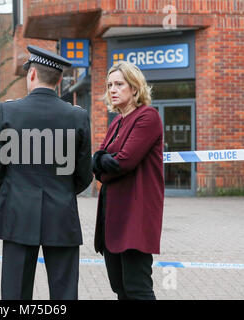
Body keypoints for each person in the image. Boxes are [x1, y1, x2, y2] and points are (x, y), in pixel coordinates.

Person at [0, 45, 93, 300]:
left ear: (31, 74)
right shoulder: (77, 116)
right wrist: (64, 190)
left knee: (15, 292)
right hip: (62, 212)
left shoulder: (8, 112)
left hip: (17, 212)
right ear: (58, 80)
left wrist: (13, 192)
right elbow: (84, 174)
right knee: (64, 290)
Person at [92, 60, 164, 300]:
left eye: (119, 84)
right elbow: (99, 166)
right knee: (120, 288)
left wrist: (103, 161)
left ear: (134, 88)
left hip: (136, 217)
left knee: (137, 289)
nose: (112, 89)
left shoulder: (148, 117)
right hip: (113, 218)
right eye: (109, 84)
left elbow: (124, 162)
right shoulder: (117, 122)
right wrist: (102, 161)